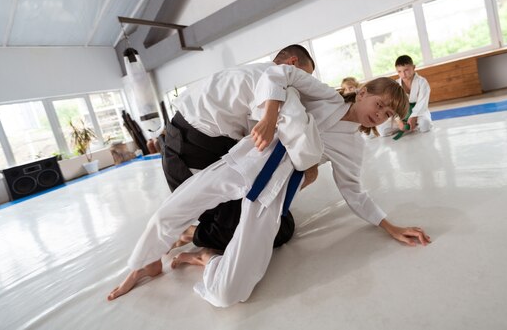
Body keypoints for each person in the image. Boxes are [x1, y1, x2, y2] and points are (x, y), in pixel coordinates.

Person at [108, 76, 431, 307]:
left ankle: (206, 258)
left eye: (388, 114)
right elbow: (278, 75)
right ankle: (143, 265)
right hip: (245, 160)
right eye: (381, 104)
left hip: (271, 197)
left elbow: (355, 193)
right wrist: (271, 114)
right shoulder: (322, 96)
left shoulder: (353, 148)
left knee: (228, 294)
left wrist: (392, 226)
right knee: (171, 211)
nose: (381, 114)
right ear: (362, 93)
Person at [160, 44, 324, 249]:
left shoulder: (251, 72)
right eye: (305, 77)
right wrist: (310, 167)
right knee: (278, 229)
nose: (302, 87)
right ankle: (190, 233)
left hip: (192, 146)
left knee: (270, 213)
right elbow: (291, 126)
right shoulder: (271, 80)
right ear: (292, 64)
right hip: (188, 161)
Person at [381, 55, 432, 137]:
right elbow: (392, 106)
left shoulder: (422, 82)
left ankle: (412, 124)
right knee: (382, 130)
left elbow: (422, 103)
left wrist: (414, 116)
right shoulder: (395, 85)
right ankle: (405, 126)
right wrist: (399, 121)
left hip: (419, 113)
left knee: (425, 125)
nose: (403, 74)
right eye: (399, 71)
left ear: (414, 67)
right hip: (401, 114)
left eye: (406, 70)